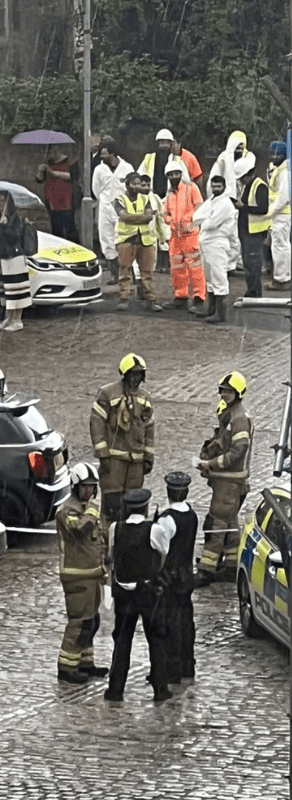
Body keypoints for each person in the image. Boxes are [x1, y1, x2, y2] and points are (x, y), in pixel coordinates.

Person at [105, 488, 176, 703]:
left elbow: (111, 555)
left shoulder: (115, 528)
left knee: (122, 640)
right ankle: (160, 688)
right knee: (156, 640)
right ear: (146, 508)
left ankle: (115, 689)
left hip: (123, 592)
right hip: (148, 593)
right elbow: (164, 554)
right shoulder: (154, 530)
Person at [194, 371, 252, 587]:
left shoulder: (238, 419)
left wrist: (212, 464)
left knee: (216, 523)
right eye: (223, 391)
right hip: (229, 482)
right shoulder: (231, 414)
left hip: (229, 482)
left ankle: (206, 570)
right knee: (230, 524)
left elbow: (238, 451)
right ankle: (230, 567)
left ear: (238, 393)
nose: (225, 395)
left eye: (229, 391)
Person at [55, 462, 109, 684]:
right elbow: (79, 531)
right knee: (78, 621)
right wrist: (92, 512)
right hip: (77, 575)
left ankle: (85, 662)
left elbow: (100, 539)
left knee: (91, 621)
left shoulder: (90, 508)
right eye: (85, 487)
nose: (89, 491)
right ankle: (66, 668)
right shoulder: (67, 510)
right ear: (75, 486)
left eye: (93, 487)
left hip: (92, 573)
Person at [90, 352, 155, 524]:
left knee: (134, 506)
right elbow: (97, 424)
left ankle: (129, 543)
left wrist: (148, 457)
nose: (136, 379)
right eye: (133, 375)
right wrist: (102, 455)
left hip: (136, 463)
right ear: (125, 375)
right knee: (112, 505)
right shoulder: (107, 394)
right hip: (114, 461)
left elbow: (149, 429)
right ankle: (108, 543)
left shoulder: (145, 398)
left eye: (139, 375)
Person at [157, 471, 198, 683]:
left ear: (168, 492)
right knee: (186, 622)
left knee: (171, 623)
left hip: (171, 579)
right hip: (187, 576)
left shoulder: (167, 519)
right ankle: (187, 665)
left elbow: (162, 551)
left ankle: (172, 669)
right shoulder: (192, 515)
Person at [191, 174, 238, 321]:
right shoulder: (212, 201)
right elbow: (196, 217)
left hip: (218, 242)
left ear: (224, 187)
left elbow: (210, 223)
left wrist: (205, 220)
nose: (216, 189)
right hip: (207, 241)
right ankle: (211, 309)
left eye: (219, 186)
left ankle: (220, 313)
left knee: (219, 276)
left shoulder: (225, 203)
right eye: (214, 186)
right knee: (210, 277)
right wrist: (207, 219)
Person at [209, 130, 256, 273]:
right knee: (229, 234)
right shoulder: (223, 158)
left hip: (244, 201)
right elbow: (215, 177)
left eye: (241, 146)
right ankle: (229, 265)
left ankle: (237, 262)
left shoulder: (249, 157)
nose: (239, 149)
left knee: (240, 234)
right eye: (236, 146)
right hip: (227, 201)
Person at [163, 160, 207, 310]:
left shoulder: (191, 188)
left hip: (189, 235)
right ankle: (180, 296)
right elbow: (165, 213)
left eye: (176, 174)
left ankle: (199, 297)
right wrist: (170, 221)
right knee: (176, 267)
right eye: (171, 174)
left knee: (194, 267)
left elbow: (200, 207)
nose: (174, 176)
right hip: (176, 236)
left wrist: (190, 221)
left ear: (181, 174)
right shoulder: (169, 193)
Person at [113, 171, 160, 311]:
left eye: (139, 184)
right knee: (124, 270)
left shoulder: (146, 199)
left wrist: (133, 218)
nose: (138, 186)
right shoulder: (119, 199)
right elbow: (123, 216)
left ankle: (150, 299)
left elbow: (149, 217)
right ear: (127, 185)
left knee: (147, 272)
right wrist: (141, 218)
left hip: (145, 239)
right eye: (134, 183)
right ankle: (124, 297)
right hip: (126, 239)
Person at [92, 138, 133, 284]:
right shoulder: (99, 170)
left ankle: (129, 273)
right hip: (105, 207)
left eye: (105, 154)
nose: (102, 158)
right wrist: (105, 201)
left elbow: (133, 189)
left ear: (113, 153)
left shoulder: (127, 168)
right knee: (107, 240)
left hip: (123, 208)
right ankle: (114, 274)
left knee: (125, 239)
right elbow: (96, 190)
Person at [0, 188, 32, 332]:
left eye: (3, 200)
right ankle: (8, 317)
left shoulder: (15, 217)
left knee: (16, 289)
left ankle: (17, 319)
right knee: (6, 290)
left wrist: (6, 225)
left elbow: (15, 236)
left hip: (13, 257)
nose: (0, 203)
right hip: (2, 258)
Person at [234, 162, 270, 299]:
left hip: (255, 232)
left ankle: (255, 292)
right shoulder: (248, 185)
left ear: (249, 174)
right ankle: (251, 290)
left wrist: (243, 207)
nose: (241, 181)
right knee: (248, 263)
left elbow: (263, 208)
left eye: (242, 178)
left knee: (253, 264)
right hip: (247, 231)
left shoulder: (259, 186)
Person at [35, 145, 80, 241]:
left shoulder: (70, 161)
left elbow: (73, 176)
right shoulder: (48, 163)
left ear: (56, 149)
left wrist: (53, 173)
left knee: (69, 229)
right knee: (56, 229)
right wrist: (40, 171)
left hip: (66, 201)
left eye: (49, 152)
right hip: (52, 201)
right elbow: (40, 179)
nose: (48, 154)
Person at [138, 129, 201, 195]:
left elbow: (186, 180)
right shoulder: (149, 158)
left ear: (171, 144)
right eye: (162, 142)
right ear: (158, 143)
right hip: (152, 196)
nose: (164, 145)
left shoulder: (177, 160)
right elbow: (139, 175)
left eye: (167, 143)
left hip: (170, 196)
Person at [267, 141, 291, 292]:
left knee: (280, 246)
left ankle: (281, 280)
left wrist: (269, 212)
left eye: (278, 154)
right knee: (280, 246)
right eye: (273, 153)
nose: (274, 157)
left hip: (281, 213)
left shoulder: (285, 172)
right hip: (279, 213)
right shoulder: (279, 169)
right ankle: (282, 277)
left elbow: (283, 197)